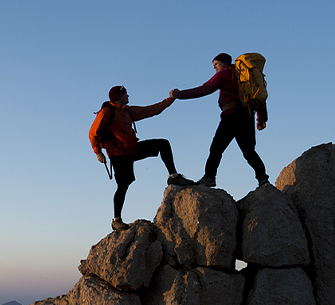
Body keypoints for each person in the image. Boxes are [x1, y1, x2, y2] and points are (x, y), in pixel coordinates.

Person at [94, 85, 198, 231]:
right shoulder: (106, 112)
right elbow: (93, 132)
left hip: (132, 149)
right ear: (119, 97)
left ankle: (173, 176)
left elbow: (151, 110)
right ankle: (116, 220)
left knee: (163, 144)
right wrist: (98, 152)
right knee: (123, 185)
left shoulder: (127, 111)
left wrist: (170, 99)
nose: (128, 96)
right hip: (118, 154)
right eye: (126, 94)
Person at [170, 53, 268, 188]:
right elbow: (258, 96)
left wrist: (179, 94)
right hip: (247, 116)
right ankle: (263, 178)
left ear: (224, 62)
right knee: (249, 151)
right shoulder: (244, 75)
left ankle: (209, 177)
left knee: (216, 148)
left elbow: (205, 89)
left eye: (216, 64)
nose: (214, 67)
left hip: (231, 116)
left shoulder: (225, 74)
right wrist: (261, 118)